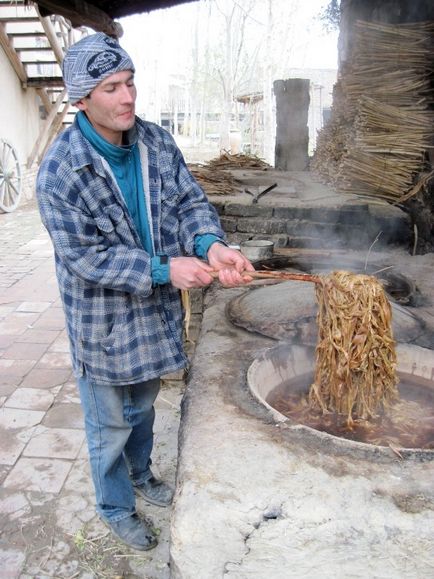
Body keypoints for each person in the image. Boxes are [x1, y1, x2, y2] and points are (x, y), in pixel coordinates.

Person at [36, 32, 254, 551]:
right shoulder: (60, 172)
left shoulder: (155, 142)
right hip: (103, 320)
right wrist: (164, 269)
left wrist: (209, 245)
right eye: (110, 87)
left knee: (146, 403)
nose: (127, 97)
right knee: (109, 421)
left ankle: (141, 473)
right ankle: (115, 506)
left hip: (150, 314)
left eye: (130, 82)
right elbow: (86, 258)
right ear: (80, 99)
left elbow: (187, 203)